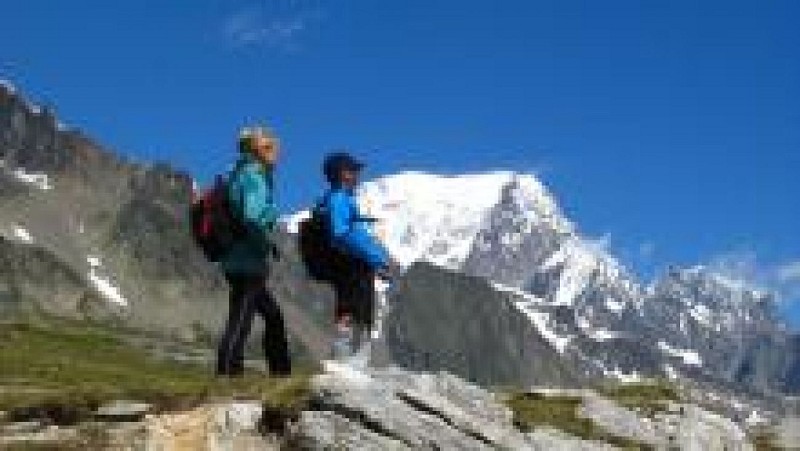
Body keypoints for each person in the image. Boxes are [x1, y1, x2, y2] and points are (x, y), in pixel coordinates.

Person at [216, 126, 291, 377]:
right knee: (241, 320)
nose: (277, 154)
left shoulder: (239, 172)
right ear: (258, 150)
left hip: (238, 257)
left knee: (272, 317)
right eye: (271, 148)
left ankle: (280, 375)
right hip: (247, 260)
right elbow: (252, 215)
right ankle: (226, 377)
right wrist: (271, 214)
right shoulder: (253, 175)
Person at [317, 152, 393, 363]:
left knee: (349, 307)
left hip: (346, 261)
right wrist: (376, 259)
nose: (358, 175)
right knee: (356, 309)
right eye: (354, 170)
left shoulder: (332, 199)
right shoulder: (339, 199)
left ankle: (346, 357)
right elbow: (342, 232)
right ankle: (351, 360)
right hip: (352, 262)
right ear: (344, 174)